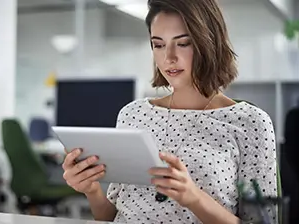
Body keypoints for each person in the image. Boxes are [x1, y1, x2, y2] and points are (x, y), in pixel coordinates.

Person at [61, 0, 278, 223]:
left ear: (210, 43)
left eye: (183, 43)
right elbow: (112, 217)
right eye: (158, 45)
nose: (169, 58)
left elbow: (263, 221)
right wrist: (91, 190)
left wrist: (194, 198)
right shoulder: (132, 114)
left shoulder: (250, 123)